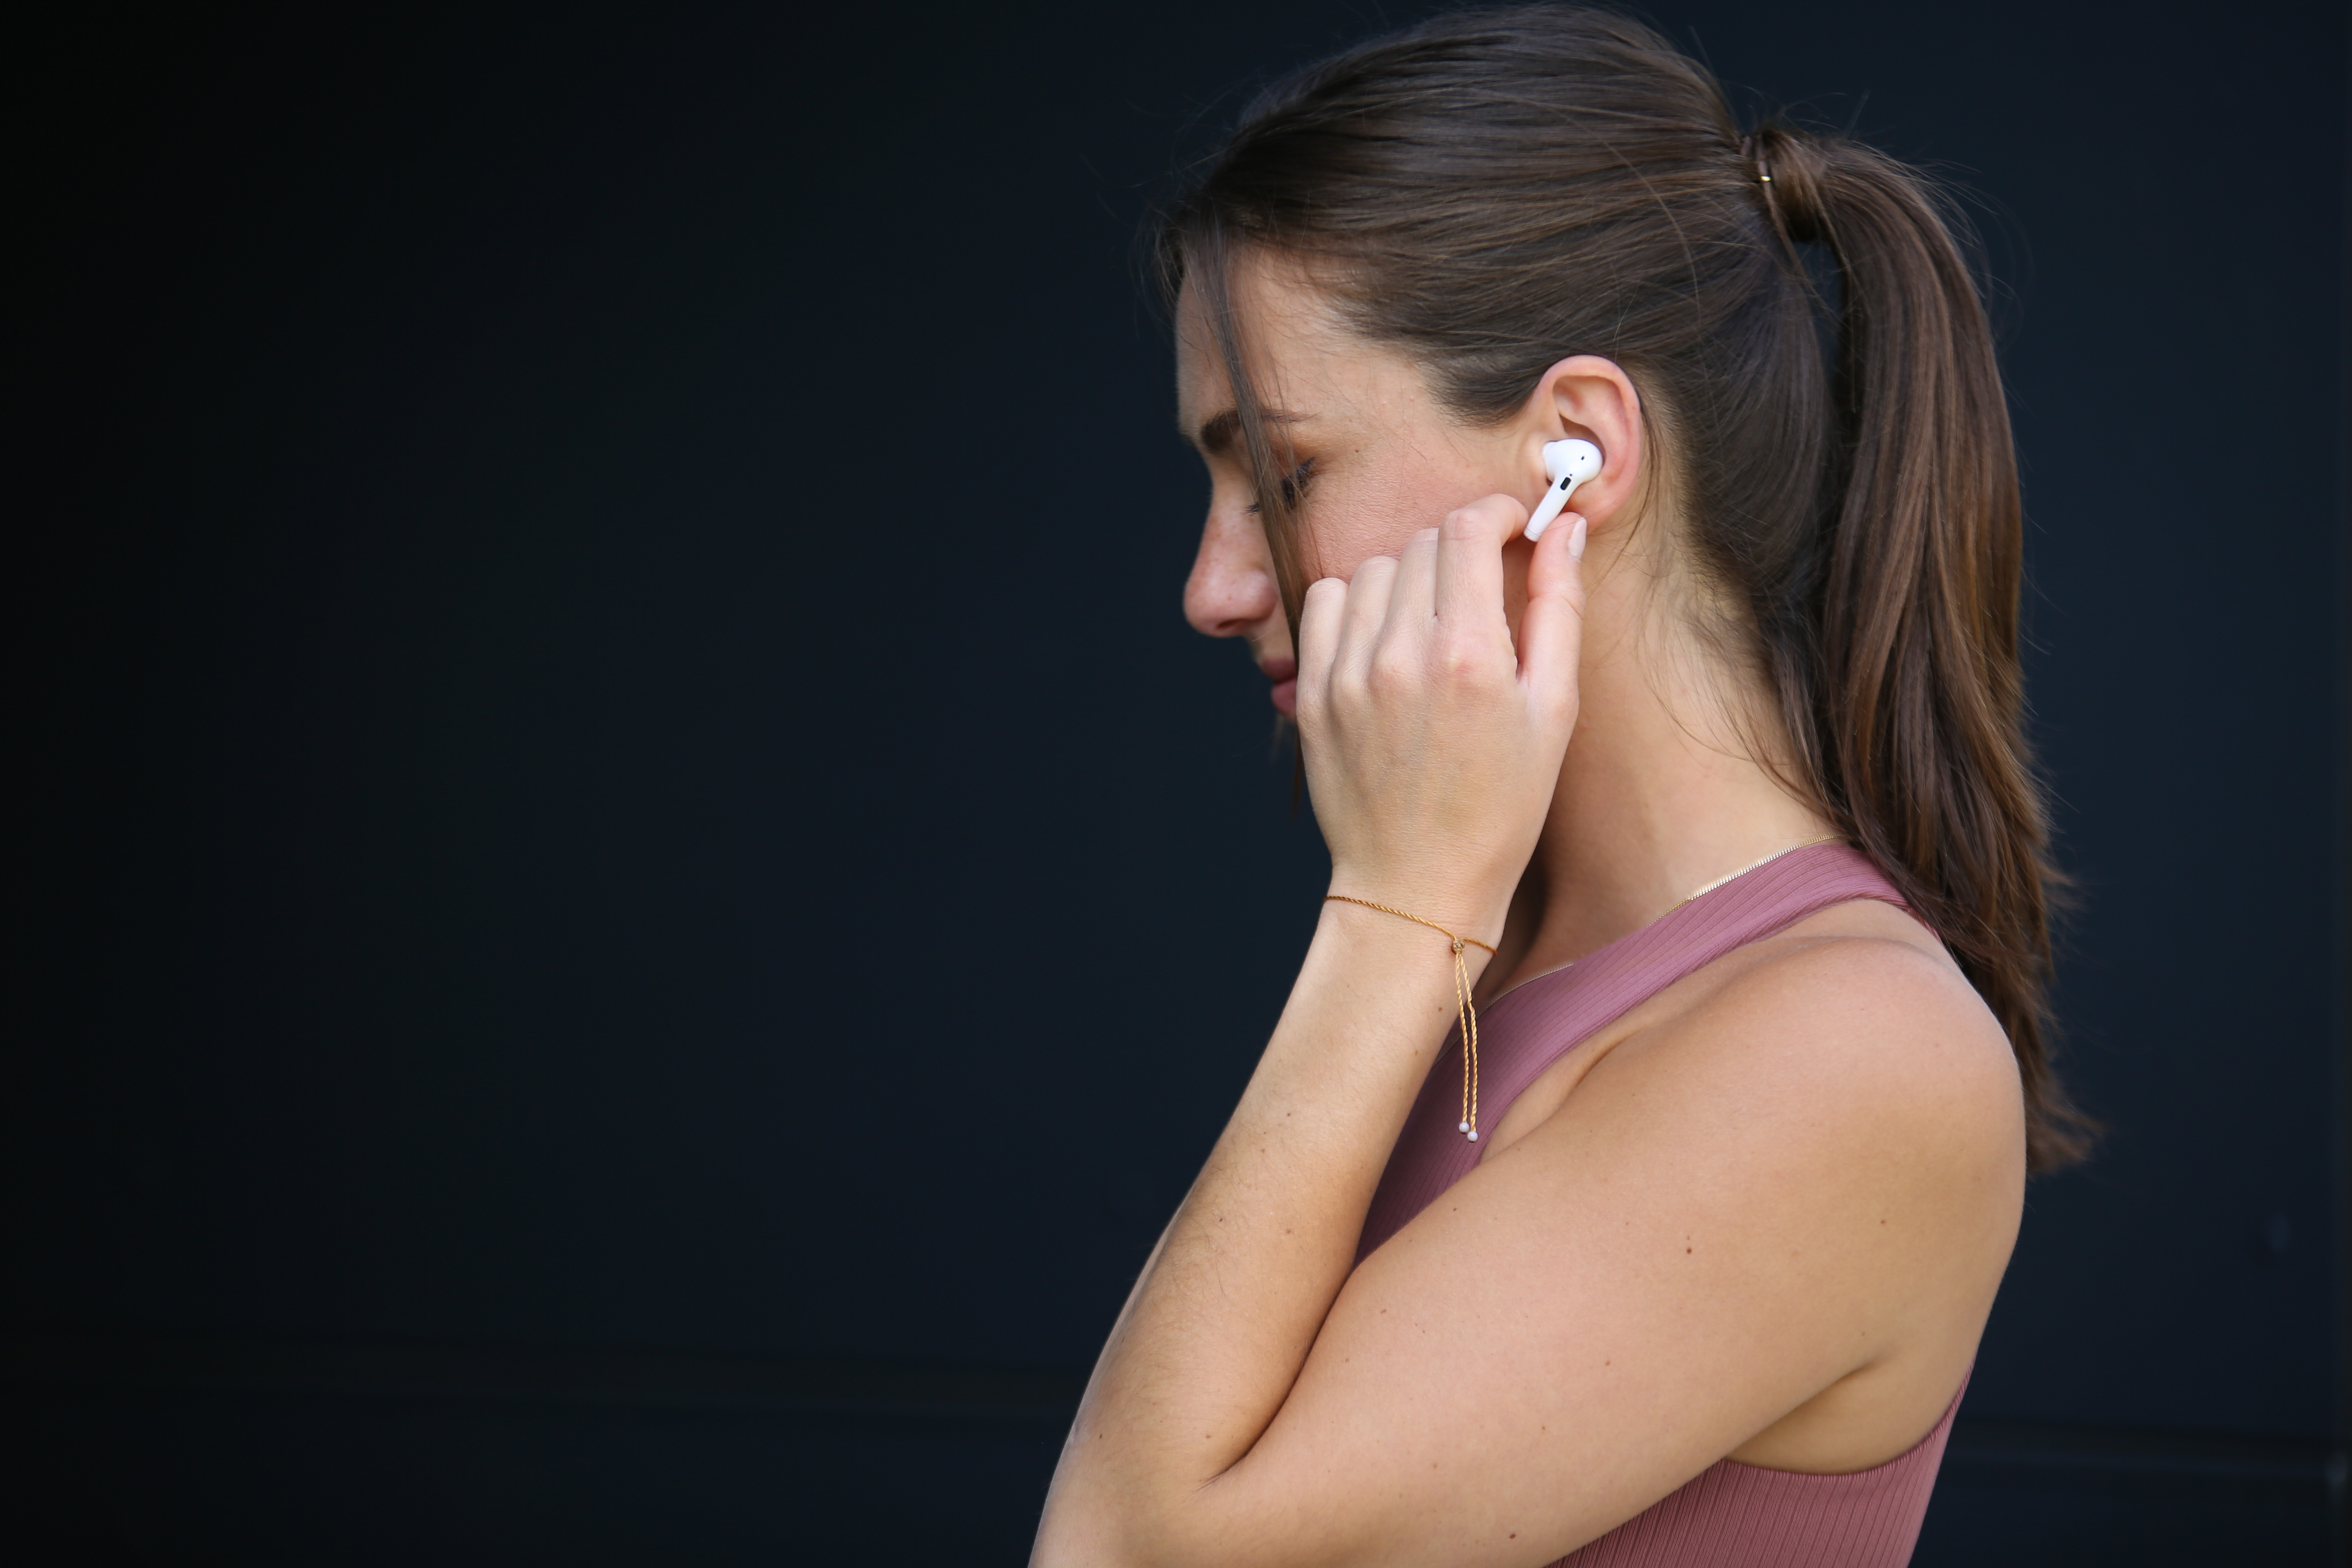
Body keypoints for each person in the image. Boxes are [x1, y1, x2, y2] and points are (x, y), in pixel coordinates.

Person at [1033, 8, 2091, 1564]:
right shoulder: (1496, 945)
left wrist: (1400, 905)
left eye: (1286, 473)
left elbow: (1121, 1552)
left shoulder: (1853, 1052)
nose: (1212, 583)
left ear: (1575, 456)